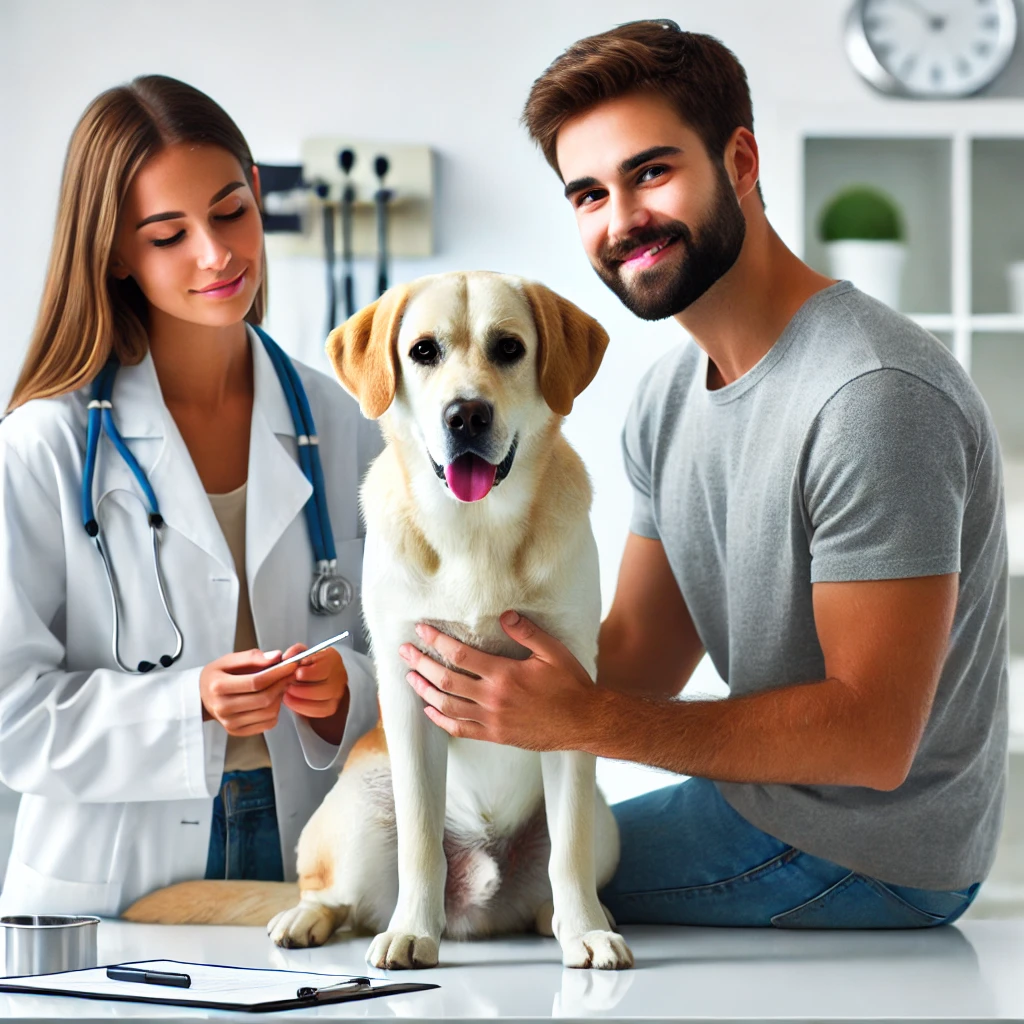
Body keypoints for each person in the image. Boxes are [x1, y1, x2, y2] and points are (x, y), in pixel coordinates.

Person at [398, 21, 1009, 928]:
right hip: (754, 799)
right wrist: (445, 670)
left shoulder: (872, 396)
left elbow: (874, 739)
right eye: (588, 194)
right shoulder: (668, 395)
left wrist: (584, 722)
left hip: (875, 852)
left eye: (650, 173)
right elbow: (640, 654)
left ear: (742, 159)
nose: (621, 221)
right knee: (424, 866)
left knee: (482, 901)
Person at [0, 75, 380, 916]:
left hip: (311, 838)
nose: (217, 254)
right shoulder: (44, 443)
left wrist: (346, 691)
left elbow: (408, 648)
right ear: (113, 253)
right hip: (113, 868)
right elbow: (10, 715)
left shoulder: (341, 419)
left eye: (232, 210)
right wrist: (189, 703)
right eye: (169, 234)